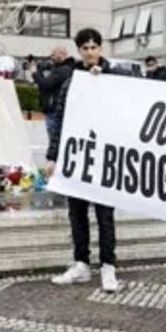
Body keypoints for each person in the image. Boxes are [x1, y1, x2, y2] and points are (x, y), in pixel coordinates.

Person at [48, 29, 132, 293]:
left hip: (105, 156)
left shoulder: (114, 75)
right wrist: (53, 155)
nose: (90, 52)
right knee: (77, 213)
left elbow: (137, 90)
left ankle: (108, 266)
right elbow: (60, 119)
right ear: (79, 50)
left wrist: (104, 77)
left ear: (100, 49)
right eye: (85, 48)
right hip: (78, 155)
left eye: (94, 47)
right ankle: (81, 263)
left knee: (105, 214)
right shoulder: (71, 80)